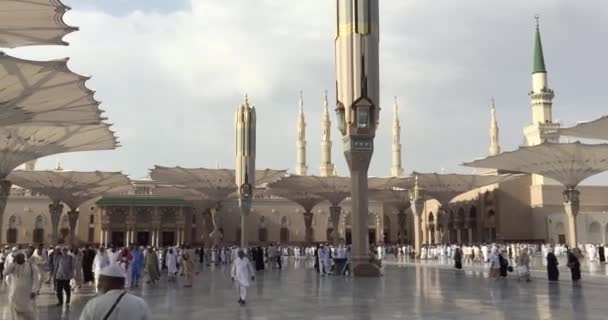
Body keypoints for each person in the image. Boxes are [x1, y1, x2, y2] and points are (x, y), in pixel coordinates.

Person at [79, 264, 151, 320]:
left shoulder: (93, 304)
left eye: (100, 281)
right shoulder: (140, 303)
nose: (98, 285)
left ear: (109, 282)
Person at [4, 251, 40, 320]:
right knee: (16, 315)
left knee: (30, 314)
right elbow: (5, 273)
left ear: (23, 257)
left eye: (18, 257)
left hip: (27, 295)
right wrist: (12, 263)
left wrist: (34, 291)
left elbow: (36, 280)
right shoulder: (13, 266)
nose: (17, 259)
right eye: (16, 258)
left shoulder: (31, 267)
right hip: (15, 295)